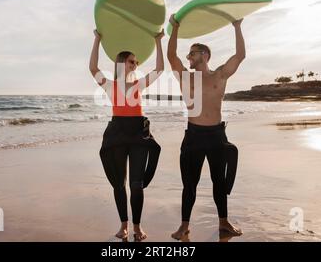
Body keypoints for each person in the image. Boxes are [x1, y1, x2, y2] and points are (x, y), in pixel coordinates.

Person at [167, 14, 244, 240]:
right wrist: (175, 28)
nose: (188, 56)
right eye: (188, 53)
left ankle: (224, 222)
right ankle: (184, 226)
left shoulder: (219, 75)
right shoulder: (185, 77)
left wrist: (237, 27)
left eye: (192, 53)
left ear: (204, 55)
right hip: (194, 136)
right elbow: (171, 56)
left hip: (216, 135)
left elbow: (240, 56)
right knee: (189, 184)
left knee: (218, 181)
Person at [89, 29, 165, 241]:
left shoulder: (138, 85)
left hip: (138, 134)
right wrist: (97, 39)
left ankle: (137, 227)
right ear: (122, 63)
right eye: (132, 61)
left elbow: (159, 68)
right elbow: (93, 68)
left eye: (137, 62)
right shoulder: (110, 86)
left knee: (136, 184)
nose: (136, 65)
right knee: (119, 184)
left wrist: (158, 41)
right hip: (117, 134)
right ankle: (124, 225)